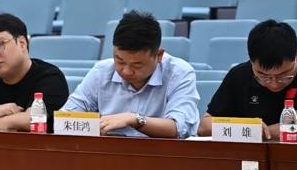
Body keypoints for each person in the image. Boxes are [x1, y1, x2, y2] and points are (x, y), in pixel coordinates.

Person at [62, 11, 199, 138]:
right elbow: (65, 118)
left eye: (137, 65)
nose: (126, 71)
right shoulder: (101, 71)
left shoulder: (179, 73)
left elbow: (179, 128)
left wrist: (135, 119)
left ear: (159, 55)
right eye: (120, 61)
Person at [198, 20, 297, 138]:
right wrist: (247, 127)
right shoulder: (239, 74)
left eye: (283, 76)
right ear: (251, 61)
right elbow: (204, 126)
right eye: (263, 76)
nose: (274, 84)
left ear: (296, 55)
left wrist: (255, 133)